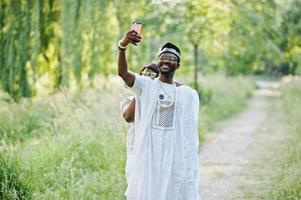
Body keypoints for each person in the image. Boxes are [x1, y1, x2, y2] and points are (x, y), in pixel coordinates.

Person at [118, 30, 200, 200]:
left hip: (172, 158)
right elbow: (123, 74)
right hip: (149, 155)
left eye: (171, 59)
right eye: (163, 57)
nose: (166, 61)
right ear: (158, 61)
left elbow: (187, 130)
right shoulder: (146, 87)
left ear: (178, 65)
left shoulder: (186, 94)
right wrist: (122, 47)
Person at [120, 63, 159, 196]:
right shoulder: (130, 99)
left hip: (156, 153)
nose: (147, 78)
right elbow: (128, 117)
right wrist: (140, 93)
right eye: (144, 74)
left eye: (152, 76)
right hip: (136, 151)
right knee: (136, 188)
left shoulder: (160, 100)